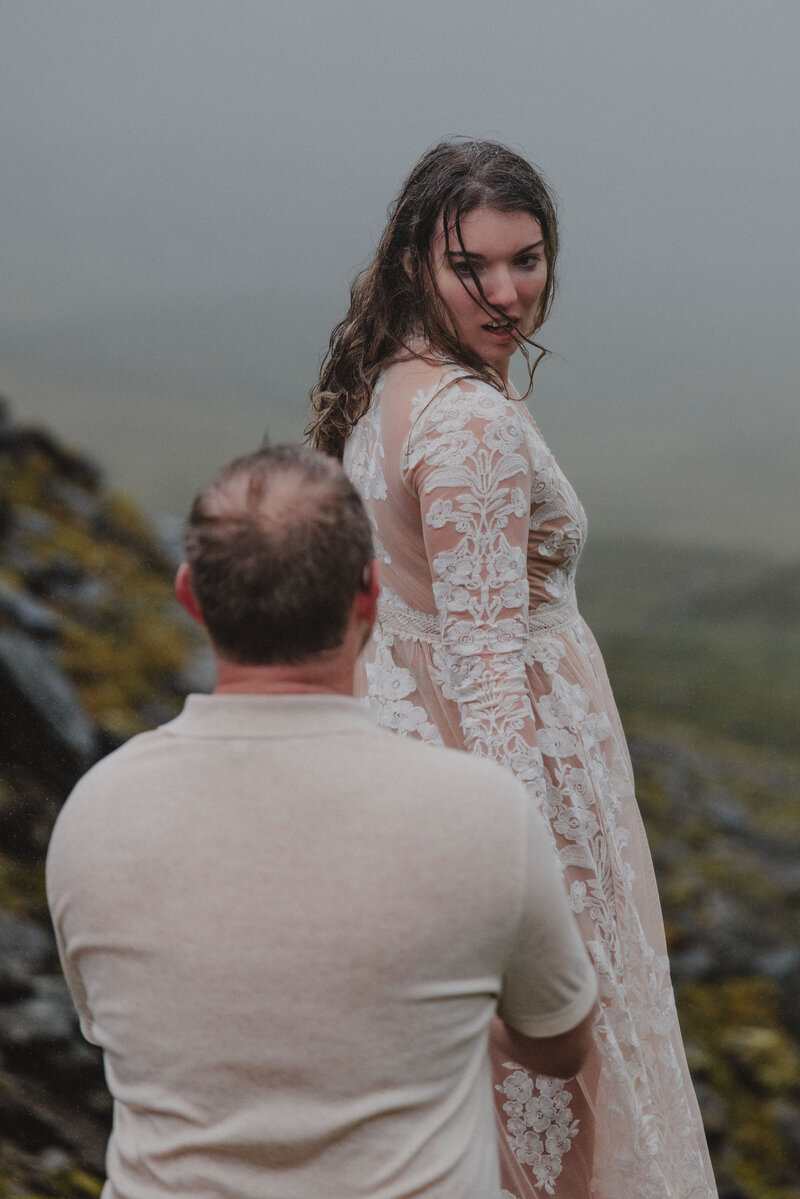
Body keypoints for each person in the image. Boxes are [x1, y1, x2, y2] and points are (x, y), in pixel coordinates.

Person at [308, 140, 718, 1199]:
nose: (506, 293)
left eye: (525, 260)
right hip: (517, 796)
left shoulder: (392, 382)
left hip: (414, 784)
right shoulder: (470, 422)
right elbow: (487, 674)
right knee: (562, 1101)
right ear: (414, 262)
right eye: (471, 267)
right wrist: (526, 900)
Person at [46, 444, 598, 1199]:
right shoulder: (483, 812)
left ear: (191, 596)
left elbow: (114, 1024)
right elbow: (561, 1045)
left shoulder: (95, 812)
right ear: (369, 593)